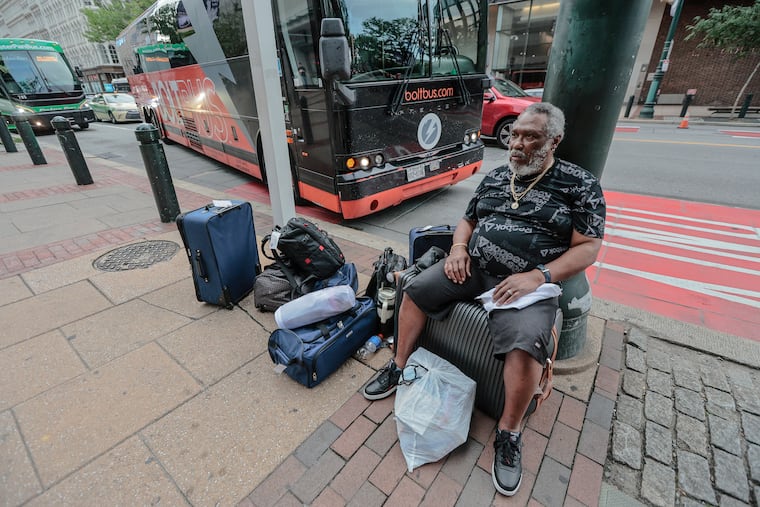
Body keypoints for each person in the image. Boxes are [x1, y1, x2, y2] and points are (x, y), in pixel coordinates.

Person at [361, 102, 606, 497]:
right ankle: (398, 365)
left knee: (526, 346)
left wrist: (537, 276)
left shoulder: (579, 184)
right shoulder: (496, 176)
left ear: (553, 142)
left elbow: (588, 247)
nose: (517, 144)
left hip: (528, 282)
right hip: (473, 266)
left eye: (531, 137)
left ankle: (509, 433)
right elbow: (468, 220)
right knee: (416, 290)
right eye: (515, 135)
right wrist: (458, 248)